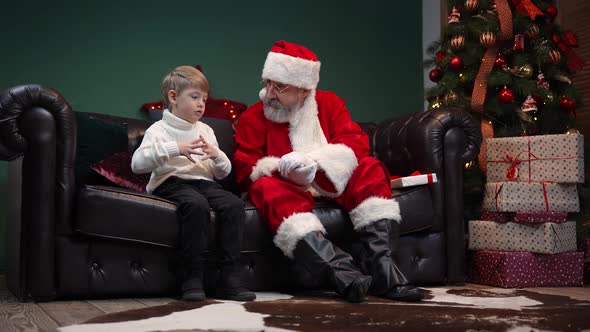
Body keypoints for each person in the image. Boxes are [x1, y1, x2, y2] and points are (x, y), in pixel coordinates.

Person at [234, 41, 424, 303]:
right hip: (287, 187)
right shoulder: (254, 116)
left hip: (331, 181)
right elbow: (246, 170)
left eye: (279, 86)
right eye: (267, 83)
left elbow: (354, 143)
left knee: (369, 168)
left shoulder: (329, 103)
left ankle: (383, 272)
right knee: (264, 187)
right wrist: (282, 168)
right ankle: (344, 275)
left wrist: (315, 163)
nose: (269, 93)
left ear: (303, 88)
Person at [132, 66, 255, 302]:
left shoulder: (206, 130)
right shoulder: (159, 129)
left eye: (204, 99)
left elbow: (223, 173)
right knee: (195, 205)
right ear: (173, 97)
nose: (201, 105)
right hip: (171, 182)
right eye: (195, 97)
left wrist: (216, 155)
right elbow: (138, 164)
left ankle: (229, 277)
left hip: (204, 183)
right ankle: (192, 277)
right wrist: (176, 148)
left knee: (233, 205)